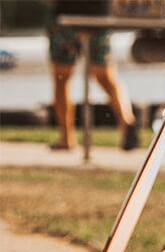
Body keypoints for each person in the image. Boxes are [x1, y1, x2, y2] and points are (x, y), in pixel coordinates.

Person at [46, 0, 138, 151]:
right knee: (106, 77)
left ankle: (66, 138)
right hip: (98, 19)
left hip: (66, 18)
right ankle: (126, 120)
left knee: (62, 79)